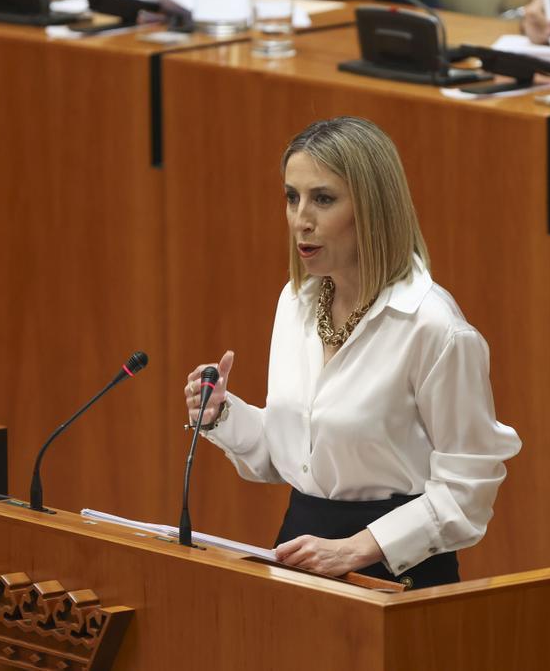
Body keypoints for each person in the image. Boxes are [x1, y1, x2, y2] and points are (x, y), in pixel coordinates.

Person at [181, 117, 521, 589]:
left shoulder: (434, 327)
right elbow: (297, 456)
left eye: (323, 199)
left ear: (373, 208)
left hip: (398, 572)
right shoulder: (296, 302)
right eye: (291, 197)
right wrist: (220, 416)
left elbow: (469, 489)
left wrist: (359, 546)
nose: (301, 218)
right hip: (303, 555)